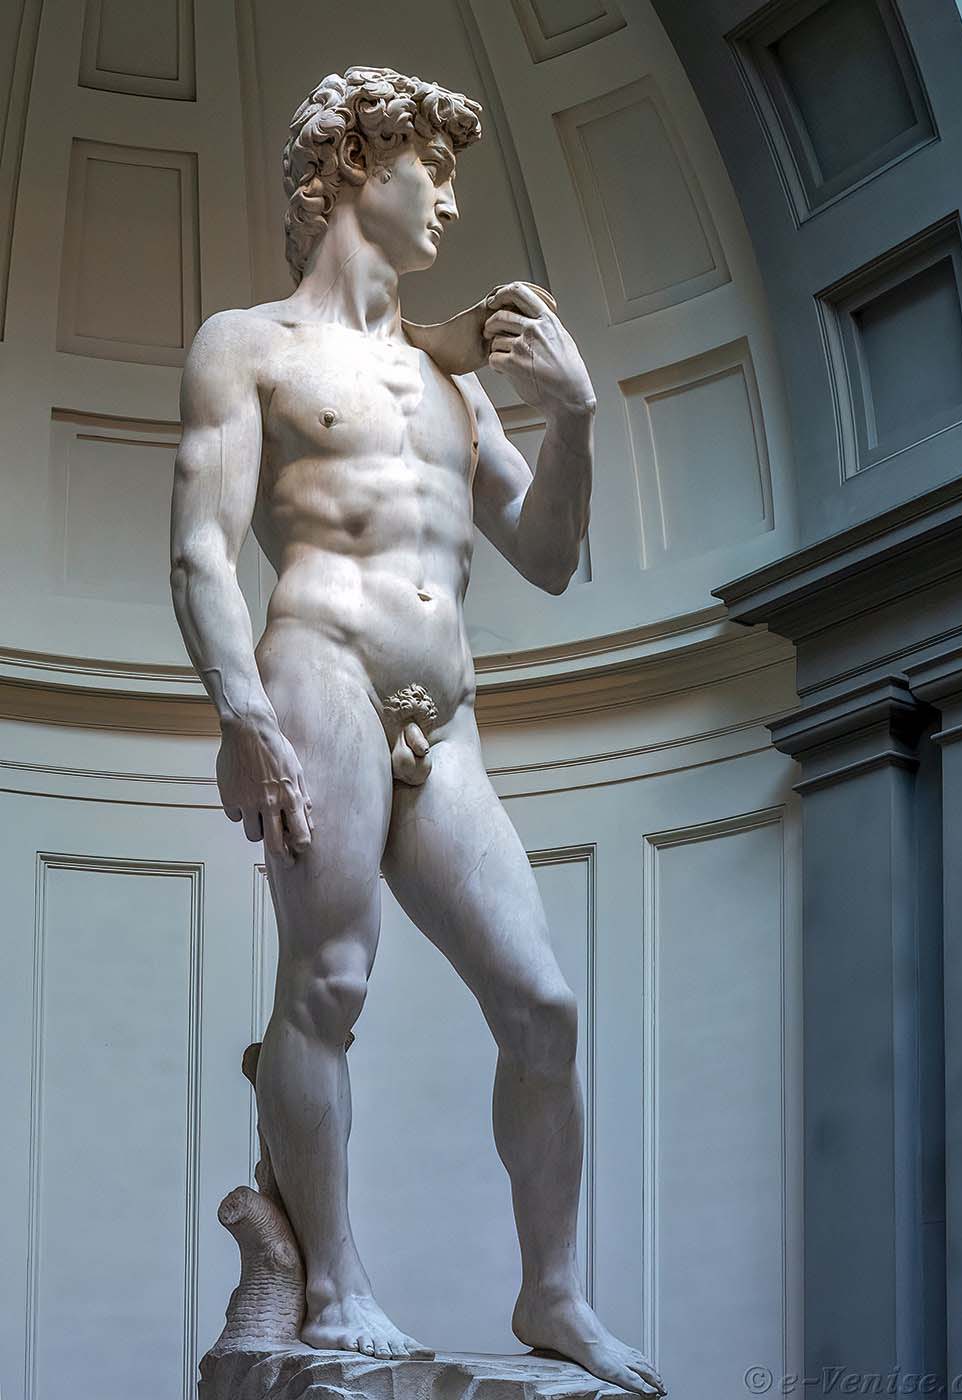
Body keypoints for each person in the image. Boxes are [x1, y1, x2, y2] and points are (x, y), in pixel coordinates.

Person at [170, 65, 664, 1398]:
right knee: (328, 984)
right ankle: (333, 1280)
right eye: (428, 172)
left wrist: (575, 416)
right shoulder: (250, 345)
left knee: (542, 1005)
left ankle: (552, 1294)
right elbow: (203, 550)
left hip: (445, 714)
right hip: (318, 668)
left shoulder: (454, 386)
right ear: (351, 168)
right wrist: (243, 710)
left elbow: (546, 557)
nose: (447, 201)